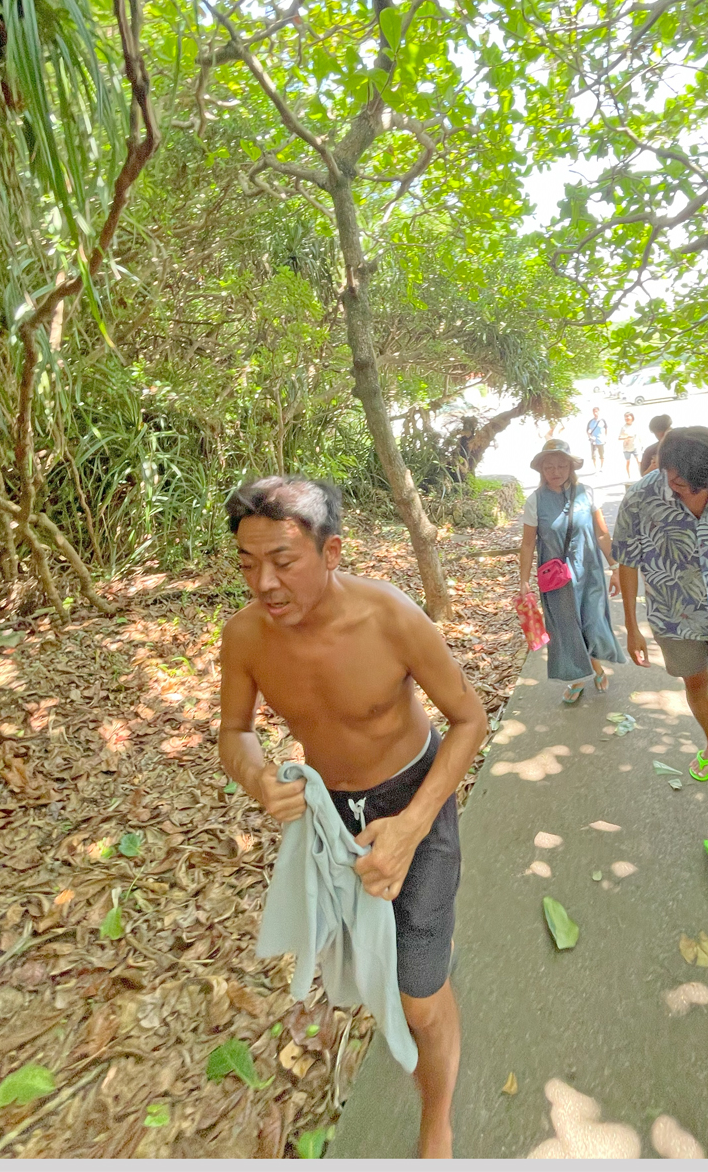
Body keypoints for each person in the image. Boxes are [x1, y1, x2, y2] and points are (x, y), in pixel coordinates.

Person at [217, 475, 487, 1158]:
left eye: (283, 559)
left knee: (419, 997)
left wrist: (414, 823)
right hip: (332, 814)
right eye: (248, 564)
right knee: (374, 973)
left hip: (415, 797)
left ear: (332, 551)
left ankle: (438, 1118)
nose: (265, 582)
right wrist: (255, 774)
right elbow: (234, 731)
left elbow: (469, 719)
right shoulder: (245, 636)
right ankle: (422, 967)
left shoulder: (390, 617)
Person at [611, 428, 708, 893]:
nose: (693, 493)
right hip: (675, 613)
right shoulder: (639, 498)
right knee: (696, 688)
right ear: (663, 466)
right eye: (682, 484)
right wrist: (632, 625)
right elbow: (627, 560)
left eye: (702, 484)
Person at [518, 440, 627, 705]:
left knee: (592, 622)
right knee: (567, 628)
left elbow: (602, 533)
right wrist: (523, 580)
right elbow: (528, 543)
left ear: (570, 467)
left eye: (562, 465)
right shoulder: (535, 501)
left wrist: (615, 568)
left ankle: (591, 669)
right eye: (549, 466)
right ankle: (583, 675)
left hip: (588, 571)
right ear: (541, 470)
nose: (556, 471)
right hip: (556, 578)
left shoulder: (586, 493)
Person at [618, 412, 641, 480]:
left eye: (628, 416)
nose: (627, 418)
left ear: (632, 417)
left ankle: (641, 475)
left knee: (639, 461)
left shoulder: (635, 426)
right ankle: (629, 476)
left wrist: (641, 445)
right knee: (628, 462)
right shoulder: (623, 427)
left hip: (635, 446)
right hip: (626, 448)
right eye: (626, 417)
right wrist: (627, 437)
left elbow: (639, 436)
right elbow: (619, 438)